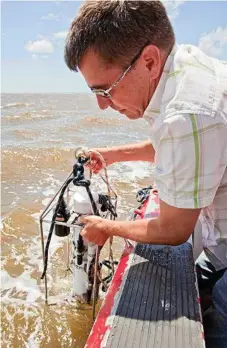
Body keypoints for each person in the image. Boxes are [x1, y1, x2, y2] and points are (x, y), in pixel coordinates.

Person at [64, 1, 227, 346]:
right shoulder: (182, 70)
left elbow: (173, 229)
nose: (102, 105)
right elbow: (178, 148)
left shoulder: (186, 113)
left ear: (149, 61)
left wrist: (106, 227)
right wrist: (112, 154)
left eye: (104, 90)